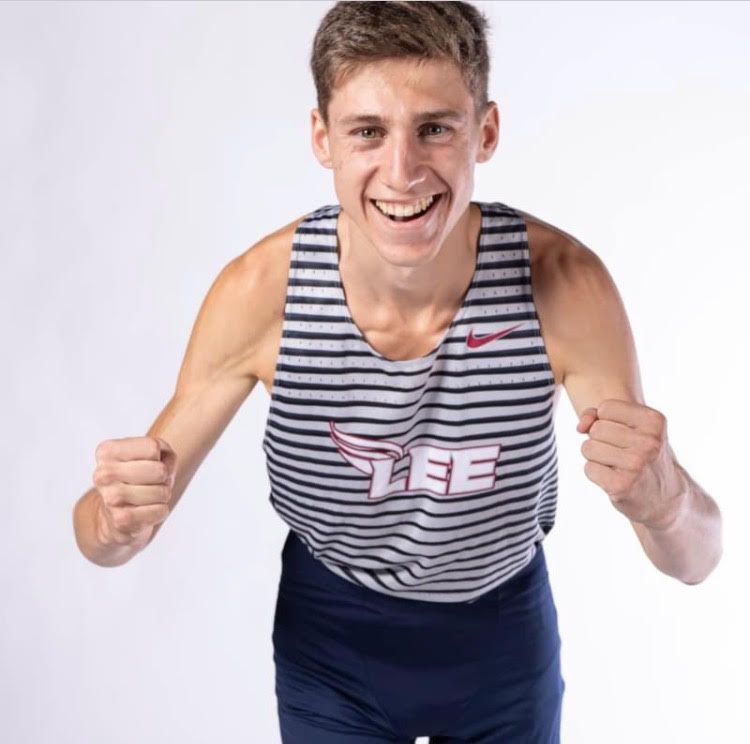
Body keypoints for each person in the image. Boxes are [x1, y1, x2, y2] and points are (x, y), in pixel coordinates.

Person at [72, 2, 723, 742]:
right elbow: (103, 540)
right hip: (332, 645)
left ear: (486, 132)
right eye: (367, 132)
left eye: (435, 129)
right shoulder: (262, 293)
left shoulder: (565, 286)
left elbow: (697, 562)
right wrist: (115, 520)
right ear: (323, 138)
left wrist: (666, 501)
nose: (402, 172)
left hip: (502, 641)